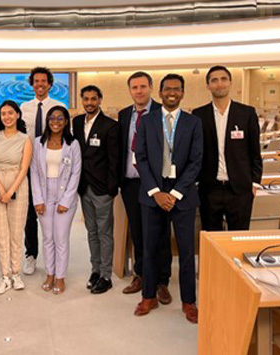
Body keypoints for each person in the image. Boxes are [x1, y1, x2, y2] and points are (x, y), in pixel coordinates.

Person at [134, 74, 202, 324]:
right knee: (150, 248)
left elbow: (196, 162)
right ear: (160, 92)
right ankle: (148, 295)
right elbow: (140, 157)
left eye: (176, 89)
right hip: (153, 193)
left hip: (182, 195)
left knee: (186, 252)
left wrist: (173, 194)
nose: (172, 93)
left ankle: (189, 301)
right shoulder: (148, 120)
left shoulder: (193, 122)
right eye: (167, 89)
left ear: (182, 93)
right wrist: (156, 192)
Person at [117, 72, 172, 299]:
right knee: (138, 232)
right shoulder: (123, 115)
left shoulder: (163, 113)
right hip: (131, 183)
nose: (138, 91)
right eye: (134, 87)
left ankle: (161, 280)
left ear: (151, 88)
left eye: (142, 86)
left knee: (160, 232)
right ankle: (141, 274)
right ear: (129, 90)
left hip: (157, 184)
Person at [192, 65, 262, 232]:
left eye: (223, 79)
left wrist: (254, 183)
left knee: (238, 238)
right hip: (210, 189)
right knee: (211, 238)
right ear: (208, 85)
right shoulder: (198, 115)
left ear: (230, 83)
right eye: (214, 80)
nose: (219, 84)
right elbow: (195, 152)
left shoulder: (247, 113)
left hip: (240, 189)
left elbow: (254, 151)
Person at [72, 85, 119, 294]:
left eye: (93, 99)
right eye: (86, 99)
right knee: (91, 232)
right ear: (82, 101)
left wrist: (111, 188)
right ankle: (95, 269)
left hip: (103, 189)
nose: (89, 102)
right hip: (84, 187)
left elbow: (115, 160)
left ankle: (106, 276)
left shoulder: (110, 125)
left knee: (105, 232)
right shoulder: (76, 122)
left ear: (100, 100)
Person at [20, 67, 66, 275]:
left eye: (43, 81)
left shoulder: (59, 106)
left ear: (50, 84)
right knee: (29, 214)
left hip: (52, 166)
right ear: (32, 84)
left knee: (52, 213)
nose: (39, 84)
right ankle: (31, 254)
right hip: (29, 166)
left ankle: (55, 256)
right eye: (36, 81)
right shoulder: (24, 107)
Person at [30, 106, 81, 294]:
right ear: (47, 121)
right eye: (52, 118)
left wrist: (66, 200)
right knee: (47, 238)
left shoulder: (73, 144)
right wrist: (38, 199)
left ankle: (60, 277)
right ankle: (49, 274)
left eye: (60, 118)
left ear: (66, 121)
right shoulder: (38, 143)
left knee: (61, 238)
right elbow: (34, 172)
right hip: (44, 194)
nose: (56, 121)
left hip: (64, 195)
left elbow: (76, 173)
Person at [0, 100, 33, 294]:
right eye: (3, 113)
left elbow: (24, 167)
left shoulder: (25, 139)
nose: (7, 117)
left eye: (10, 113)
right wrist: (0, 189)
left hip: (18, 184)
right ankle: (4, 275)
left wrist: (11, 190)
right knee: (1, 233)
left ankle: (16, 273)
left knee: (16, 232)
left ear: (18, 115)